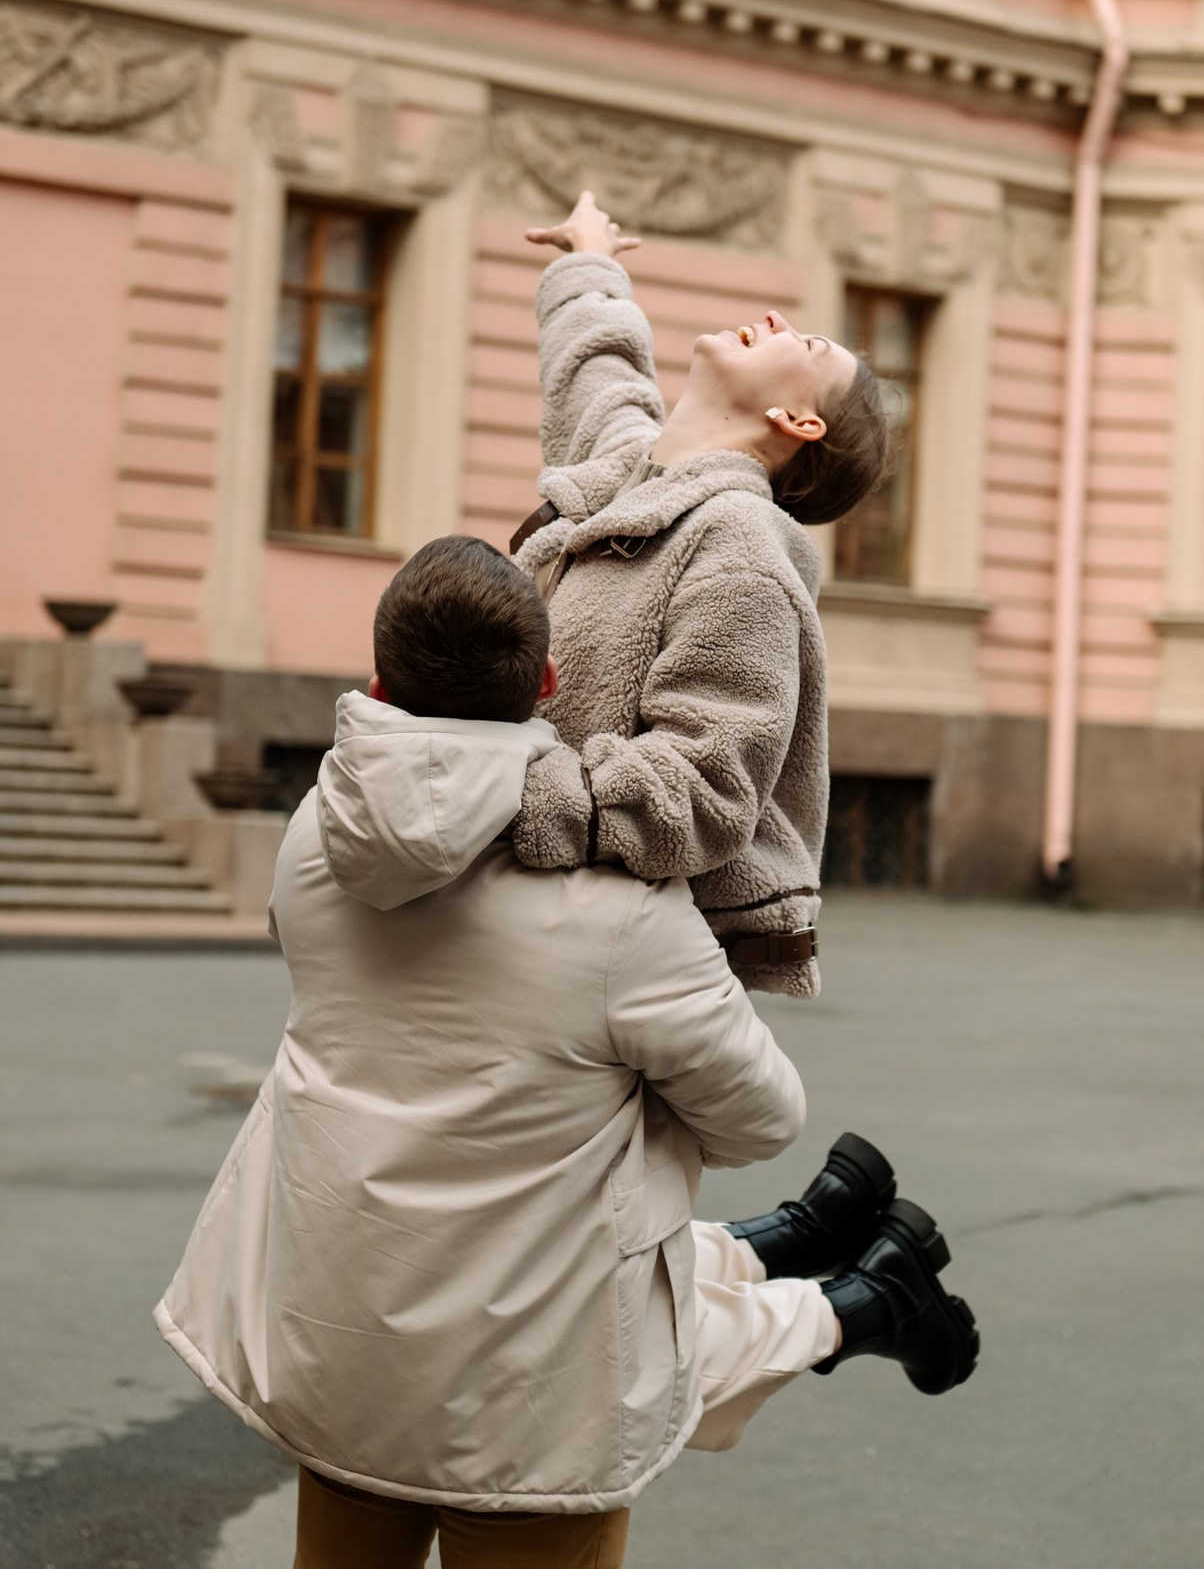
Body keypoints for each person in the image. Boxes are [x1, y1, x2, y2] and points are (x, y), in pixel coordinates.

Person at [154, 538, 977, 1569]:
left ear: (376, 678)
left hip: (342, 1343)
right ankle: (835, 1292)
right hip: (529, 1404)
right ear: (547, 683)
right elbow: (763, 1115)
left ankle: (788, 1257)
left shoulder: (315, 833)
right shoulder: (619, 911)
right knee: (589, 1207)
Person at [510, 191, 888, 1000]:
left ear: (798, 419)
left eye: (808, 345)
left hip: (607, 970)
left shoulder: (744, 550)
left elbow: (702, 792)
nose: (780, 318)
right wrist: (590, 260)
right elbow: (597, 371)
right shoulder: (628, 472)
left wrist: (495, 791)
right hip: (528, 929)